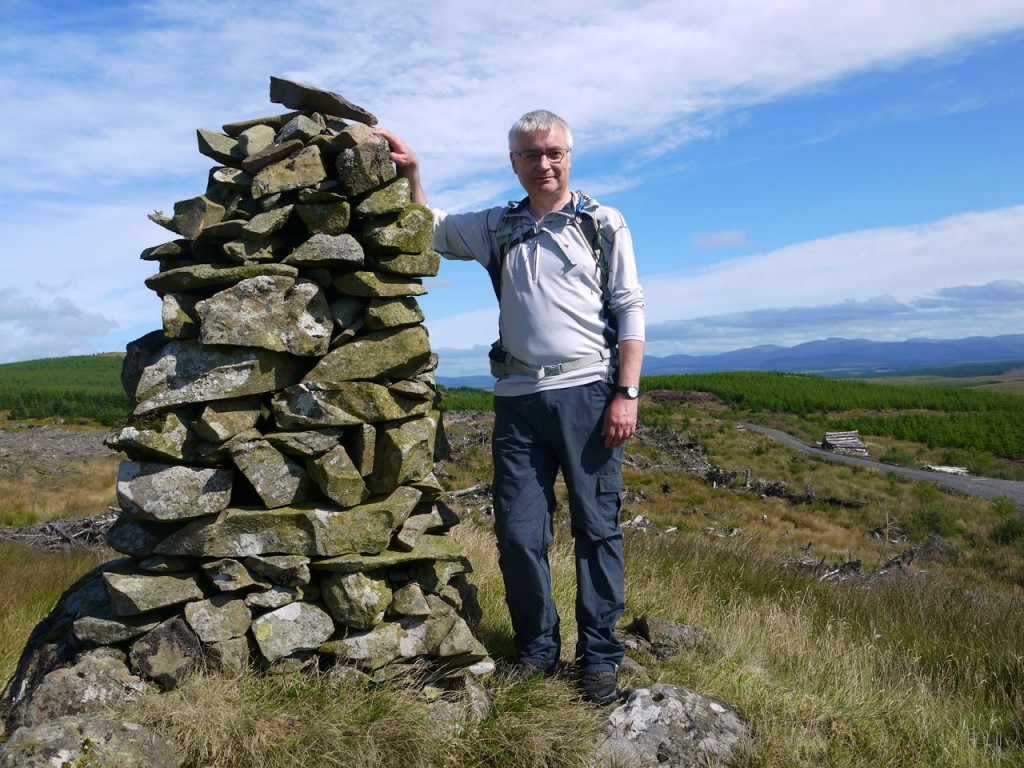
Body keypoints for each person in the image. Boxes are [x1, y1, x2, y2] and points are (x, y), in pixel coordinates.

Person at [376, 110, 644, 705]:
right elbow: (432, 230)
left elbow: (629, 307)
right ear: (514, 162)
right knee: (520, 535)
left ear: (569, 155)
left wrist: (626, 393)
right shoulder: (499, 225)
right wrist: (414, 172)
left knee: (597, 530)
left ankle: (598, 660)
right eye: (529, 155)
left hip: (590, 395)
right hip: (518, 400)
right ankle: (537, 653)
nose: (542, 164)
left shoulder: (601, 222)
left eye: (552, 153)